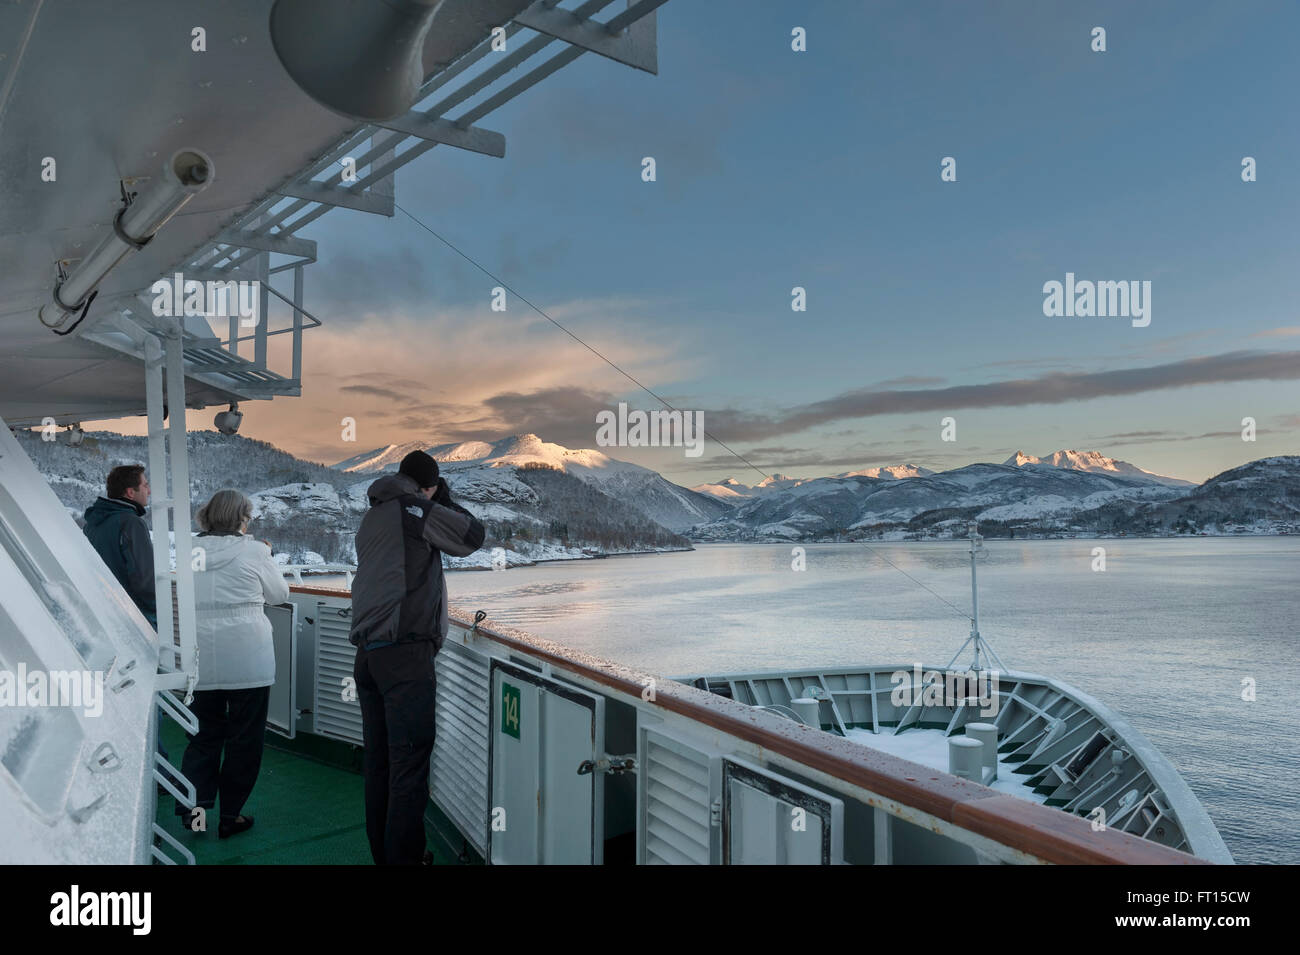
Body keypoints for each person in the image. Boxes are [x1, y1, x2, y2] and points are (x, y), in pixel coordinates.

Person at [350, 450, 485, 865]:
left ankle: (387, 856)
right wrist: (439, 500)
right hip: (405, 655)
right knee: (409, 766)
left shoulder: (374, 514)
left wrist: (429, 498)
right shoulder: (414, 509)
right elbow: (472, 536)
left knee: (381, 764)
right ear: (427, 485)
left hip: (369, 655)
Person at [177, 489, 290, 839]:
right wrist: (266, 554)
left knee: (203, 737)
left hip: (201, 660)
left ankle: (195, 815)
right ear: (241, 517)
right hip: (248, 660)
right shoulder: (255, 551)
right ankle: (230, 816)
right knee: (245, 740)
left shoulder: (189, 551)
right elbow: (279, 595)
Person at [83, 464, 156, 627]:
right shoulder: (131, 524)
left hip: (105, 613)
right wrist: (161, 610)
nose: (149, 491)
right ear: (131, 492)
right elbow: (144, 580)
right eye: (145, 485)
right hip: (135, 619)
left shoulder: (92, 524)